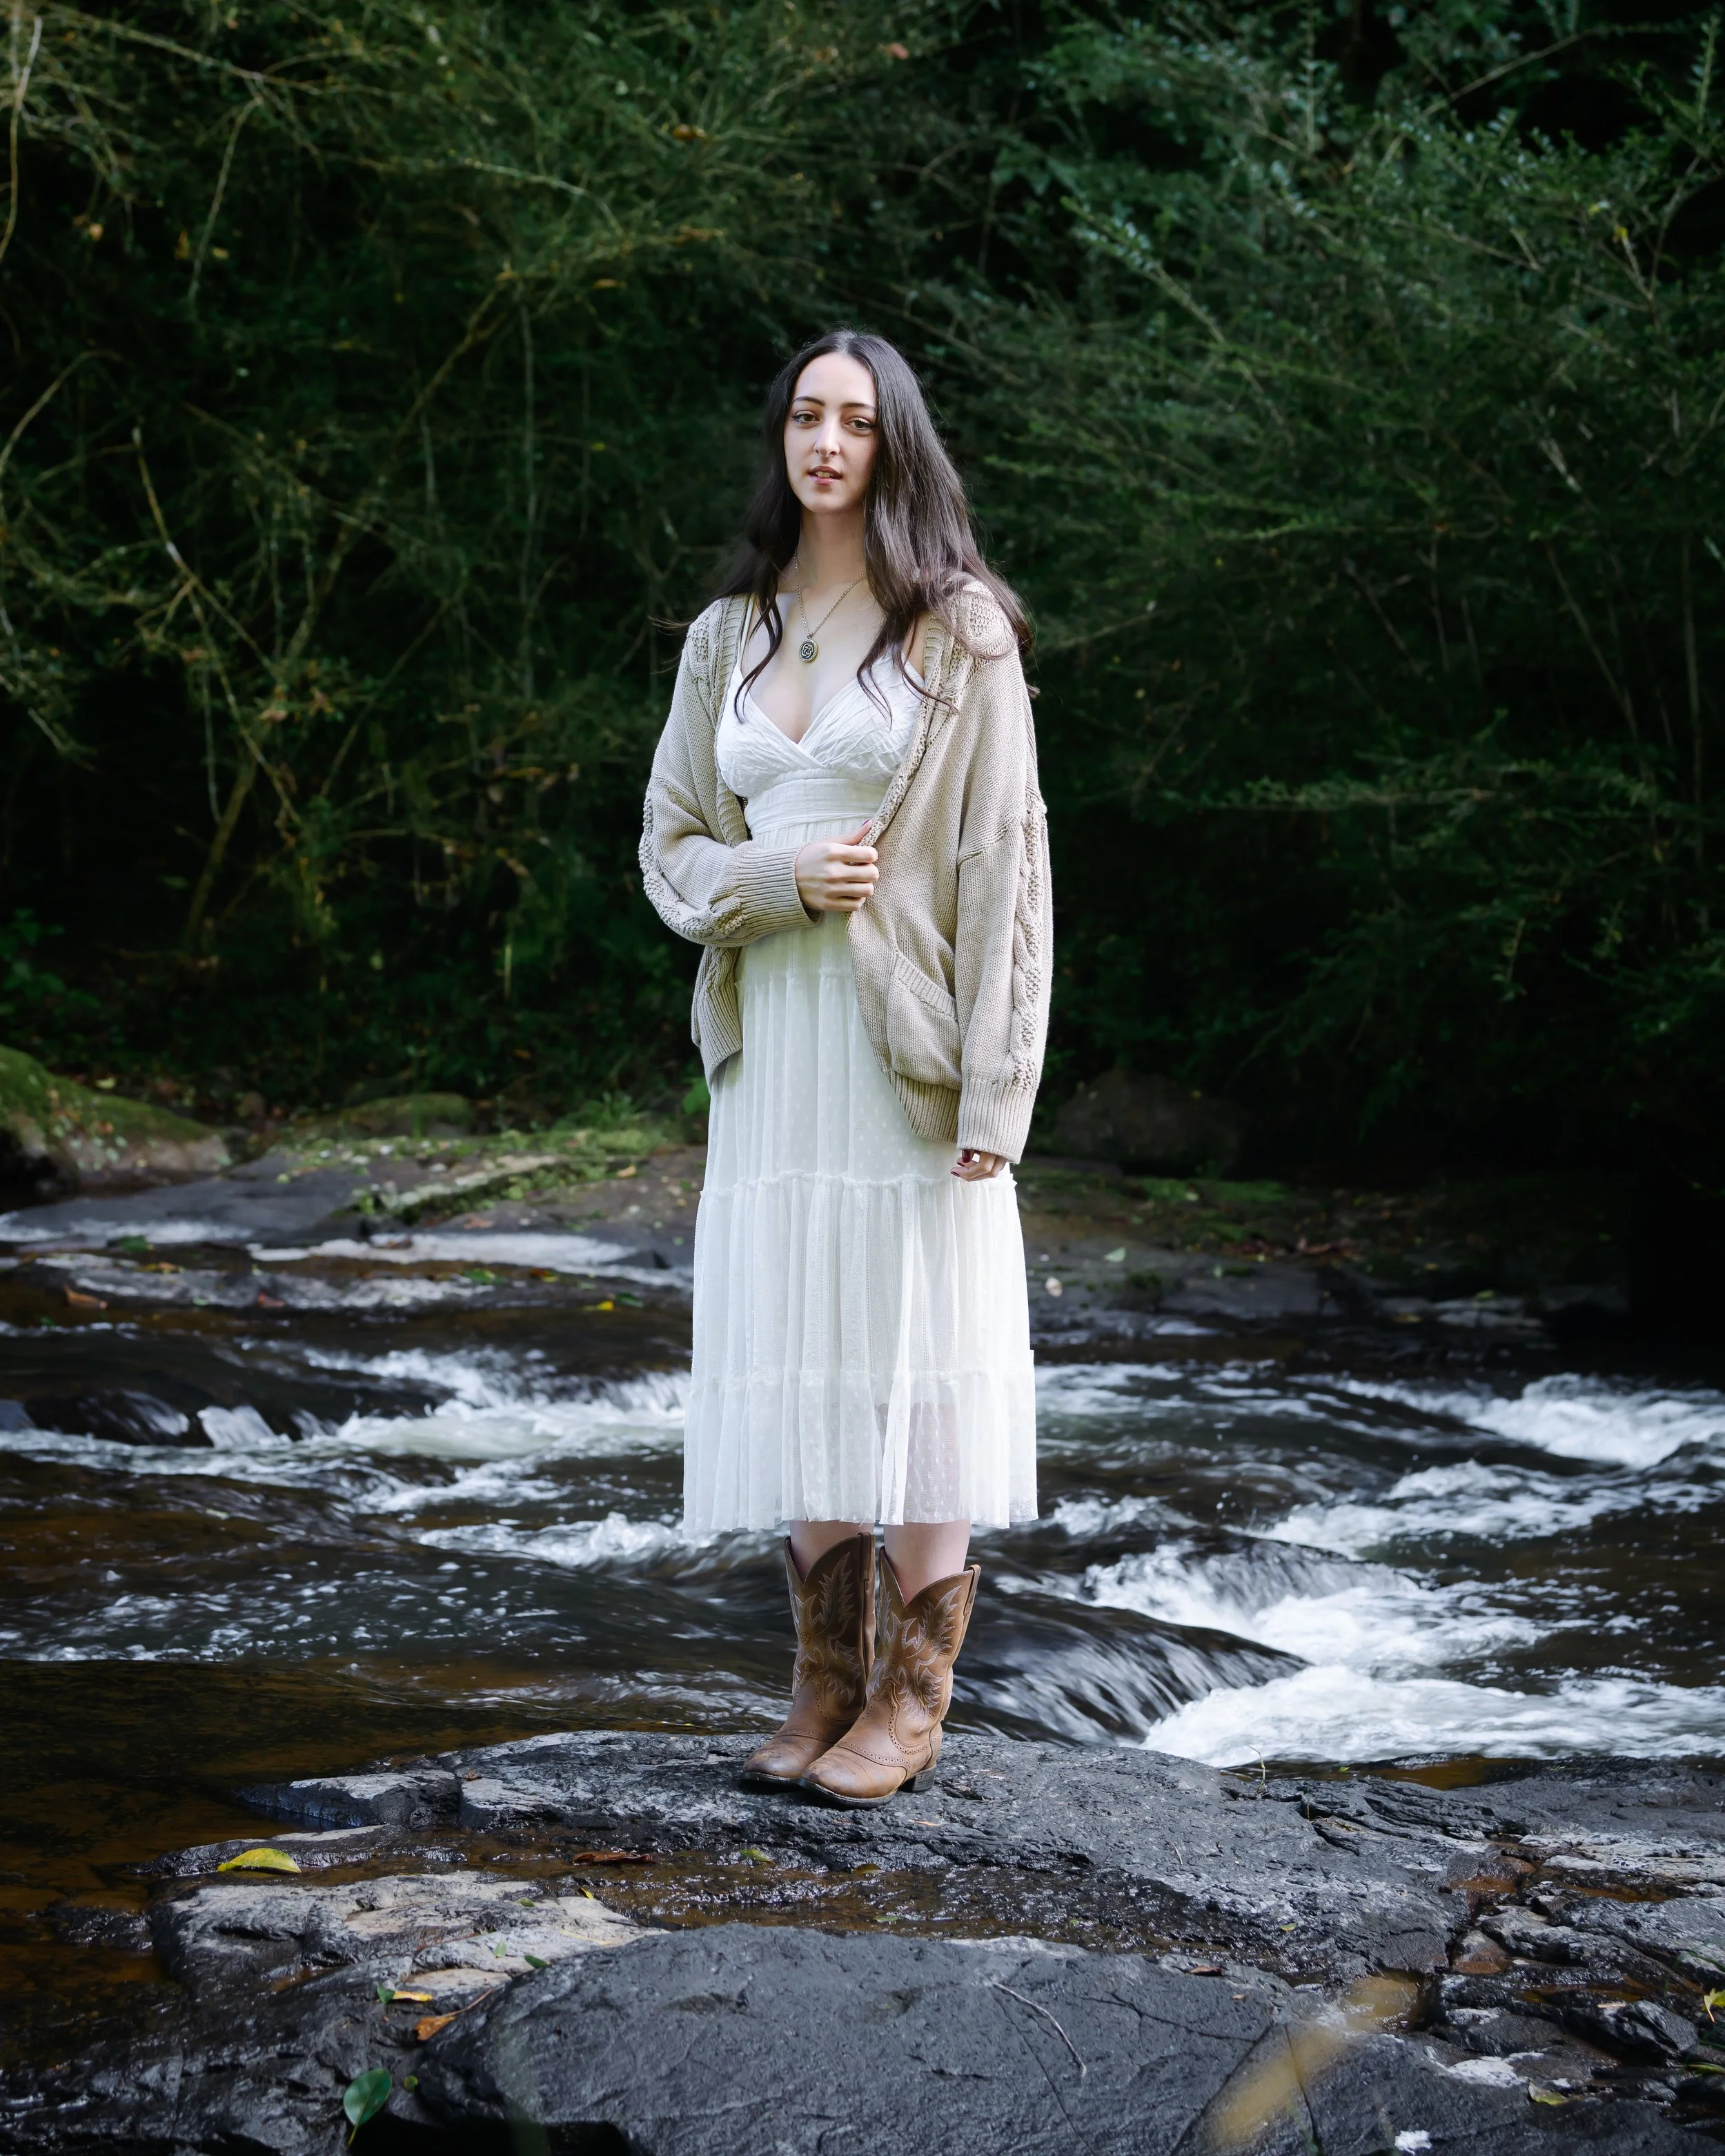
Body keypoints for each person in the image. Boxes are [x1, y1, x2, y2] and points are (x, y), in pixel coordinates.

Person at [640, 328, 1051, 1807]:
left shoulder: (958, 632)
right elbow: (671, 846)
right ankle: (819, 1682)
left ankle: (910, 1696)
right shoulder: (724, 634)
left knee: (923, 1347)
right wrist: (779, 875)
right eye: (807, 416)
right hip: (770, 1053)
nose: (827, 441)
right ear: (782, 439)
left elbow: (1010, 869)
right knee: (802, 1331)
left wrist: (997, 1093)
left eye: (856, 420)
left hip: (908, 1049)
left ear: (895, 444)